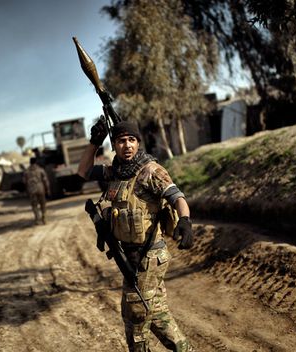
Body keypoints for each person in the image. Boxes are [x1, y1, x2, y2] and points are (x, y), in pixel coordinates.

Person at [78, 119, 195, 352]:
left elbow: (176, 196)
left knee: (136, 317)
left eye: (132, 140)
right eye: (122, 141)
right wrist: (94, 143)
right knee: (156, 312)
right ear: (114, 145)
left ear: (138, 143)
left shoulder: (151, 171)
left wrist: (185, 220)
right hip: (130, 256)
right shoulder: (115, 172)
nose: (128, 145)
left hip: (150, 256)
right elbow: (82, 172)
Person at [23, 157, 50, 225]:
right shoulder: (40, 170)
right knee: (43, 204)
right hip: (40, 189)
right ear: (36, 162)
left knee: (34, 205)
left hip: (31, 190)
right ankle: (44, 218)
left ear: (30, 162)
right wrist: (47, 189)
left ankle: (37, 219)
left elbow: (24, 181)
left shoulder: (26, 171)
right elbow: (45, 180)